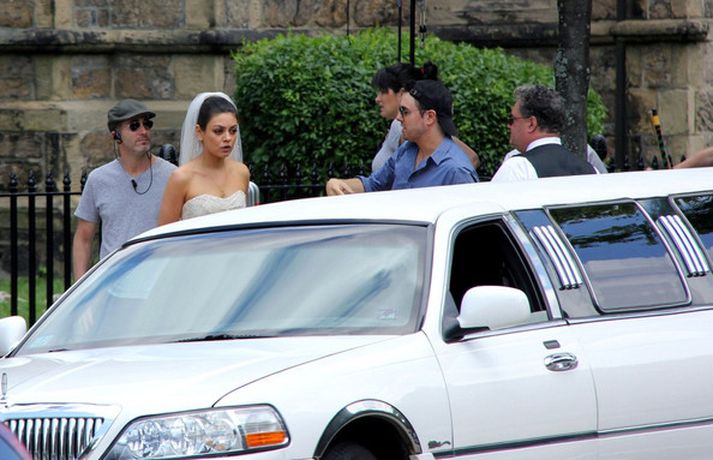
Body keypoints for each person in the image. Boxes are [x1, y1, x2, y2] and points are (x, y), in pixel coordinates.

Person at [73, 99, 176, 279]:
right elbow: (83, 238)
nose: (143, 131)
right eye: (134, 126)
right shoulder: (98, 179)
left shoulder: (173, 176)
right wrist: (80, 286)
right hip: (112, 281)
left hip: (158, 281)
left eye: (147, 124)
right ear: (116, 135)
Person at [326, 80, 478, 195]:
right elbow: (373, 185)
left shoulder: (457, 172)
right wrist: (338, 184)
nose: (398, 118)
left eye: (405, 112)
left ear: (430, 117)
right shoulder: (407, 150)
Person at [158, 92, 250, 224]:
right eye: (218, 131)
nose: (228, 138)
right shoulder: (181, 177)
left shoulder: (241, 172)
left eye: (233, 130)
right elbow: (165, 231)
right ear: (199, 132)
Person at [370, 62, 480, 172]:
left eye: (383, 92)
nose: (377, 99)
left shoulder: (404, 128)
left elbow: (471, 158)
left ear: (402, 93)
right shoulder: (400, 127)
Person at [491, 84, 596, 182]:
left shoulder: (518, 168)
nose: (509, 126)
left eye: (512, 119)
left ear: (531, 124)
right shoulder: (592, 171)